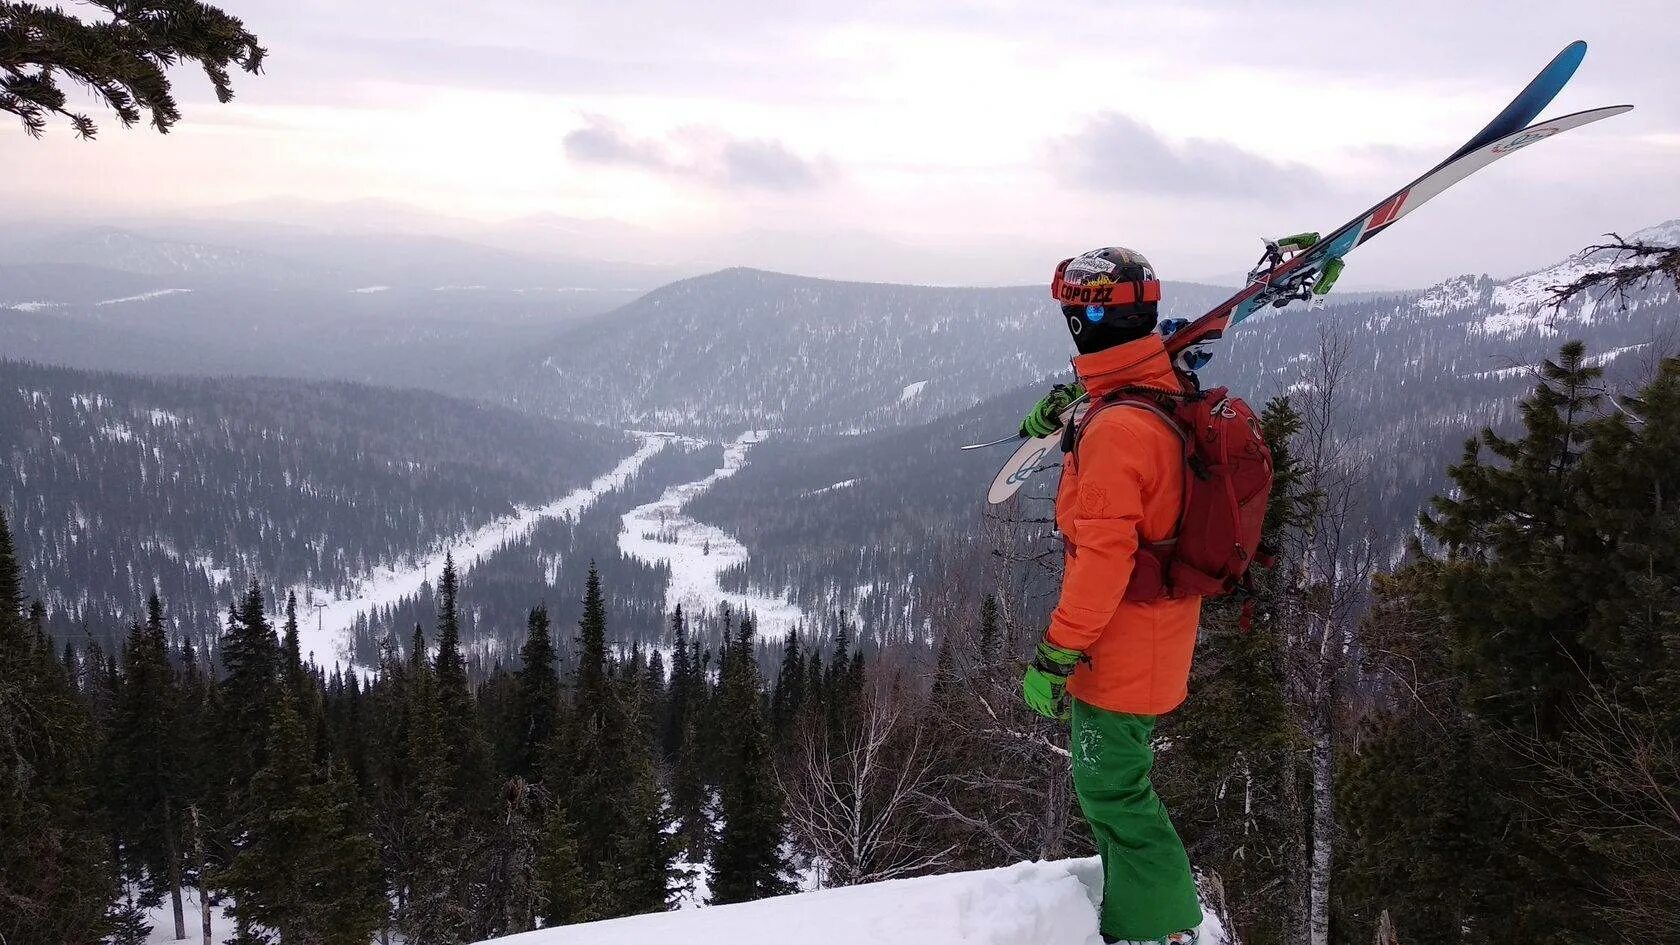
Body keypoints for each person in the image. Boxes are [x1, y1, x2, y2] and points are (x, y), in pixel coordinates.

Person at [1019, 246, 1203, 945]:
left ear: (1086, 319)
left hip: (1122, 648)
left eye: (1074, 311)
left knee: (1114, 791)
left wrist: (1056, 653)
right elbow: (1123, 404)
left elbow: (1101, 565)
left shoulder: (1120, 428)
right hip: (1150, 637)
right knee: (1114, 788)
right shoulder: (1156, 390)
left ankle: (1156, 928)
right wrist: (1071, 417)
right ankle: (1153, 917)